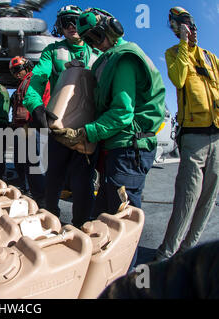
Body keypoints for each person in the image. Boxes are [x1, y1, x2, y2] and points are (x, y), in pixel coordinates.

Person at [73, 8, 165, 269]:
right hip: (117, 148)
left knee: (123, 224)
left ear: (112, 28)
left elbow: (123, 113)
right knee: (103, 217)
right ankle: (106, 274)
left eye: (96, 36)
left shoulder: (123, 58)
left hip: (128, 147)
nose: (94, 43)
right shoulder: (107, 59)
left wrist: (87, 132)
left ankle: (126, 278)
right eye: (89, 40)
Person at [23, 5, 100, 227]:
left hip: (89, 130)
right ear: (60, 26)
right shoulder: (52, 51)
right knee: (53, 179)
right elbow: (37, 80)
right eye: (65, 22)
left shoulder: (98, 53)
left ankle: (81, 229)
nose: (71, 27)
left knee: (84, 183)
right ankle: (51, 224)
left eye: (75, 21)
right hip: (60, 128)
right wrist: (36, 106)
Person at [155, 7, 219, 261]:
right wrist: (183, 43)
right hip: (193, 136)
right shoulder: (173, 53)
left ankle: (188, 249)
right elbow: (179, 79)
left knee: (209, 198)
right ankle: (166, 254)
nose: (185, 30)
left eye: (187, 25)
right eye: (178, 27)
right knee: (187, 197)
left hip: (217, 136)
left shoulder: (212, 58)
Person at [9, 56, 49, 205]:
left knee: (35, 163)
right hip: (24, 128)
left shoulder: (33, 80)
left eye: (17, 69)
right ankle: (32, 192)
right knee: (25, 162)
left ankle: (42, 200)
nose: (15, 73)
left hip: (32, 127)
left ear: (27, 66)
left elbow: (40, 103)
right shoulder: (23, 83)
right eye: (13, 71)